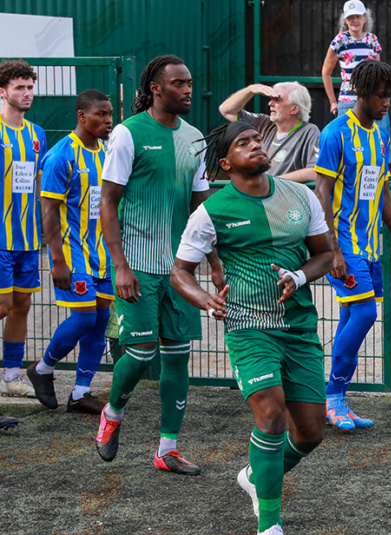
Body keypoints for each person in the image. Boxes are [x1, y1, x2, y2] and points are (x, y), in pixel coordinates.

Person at [172, 121, 334, 535]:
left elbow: (325, 253)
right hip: (247, 324)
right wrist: (206, 299)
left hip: (299, 327)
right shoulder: (212, 211)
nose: (255, 145)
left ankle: (255, 475)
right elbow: (180, 271)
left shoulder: (301, 196)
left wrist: (299, 276)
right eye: (243, 143)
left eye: (257, 140)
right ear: (225, 163)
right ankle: (269, 525)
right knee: (270, 410)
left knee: (312, 433)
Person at [94, 55, 225, 475]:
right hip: (137, 265)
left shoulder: (194, 138)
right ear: (156, 87)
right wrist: (120, 265)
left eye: (190, 83)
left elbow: (201, 206)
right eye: (179, 84)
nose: (188, 90)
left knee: (178, 355)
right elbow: (108, 203)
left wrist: (215, 262)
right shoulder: (128, 133)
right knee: (140, 351)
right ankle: (113, 414)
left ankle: (167, 448)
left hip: (179, 271)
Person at [314, 59, 391, 431]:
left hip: (371, 247)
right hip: (345, 245)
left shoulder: (381, 135)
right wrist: (333, 250)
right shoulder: (335, 134)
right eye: (380, 95)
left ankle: (335, 400)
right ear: (361, 92)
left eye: (390, 95)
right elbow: (322, 193)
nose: (387, 101)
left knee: (350, 315)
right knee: (365, 315)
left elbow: (384, 193)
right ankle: (333, 395)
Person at [26, 89, 115, 414]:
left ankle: (80, 393)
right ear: (82, 117)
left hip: (103, 254)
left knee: (101, 318)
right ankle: (43, 368)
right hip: (71, 253)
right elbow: (48, 210)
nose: (108, 120)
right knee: (83, 318)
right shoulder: (61, 155)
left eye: (109, 114)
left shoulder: (106, 152)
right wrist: (57, 261)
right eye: (101, 115)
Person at [0, 59, 47, 413]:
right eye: (19, 87)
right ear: (3, 91)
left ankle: (12, 377)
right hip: (0, 238)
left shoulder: (36, 134)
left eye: (30, 87)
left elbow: (39, 183)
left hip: (28, 240)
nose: (27, 93)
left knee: (22, 305)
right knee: (1, 305)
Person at [321, 0, 391, 163]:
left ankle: (382, 178)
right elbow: (326, 72)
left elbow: (379, 73)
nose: (354, 21)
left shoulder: (372, 40)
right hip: (348, 101)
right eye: (350, 17)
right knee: (347, 144)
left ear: (365, 18)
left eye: (358, 17)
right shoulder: (340, 40)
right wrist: (333, 101)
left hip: (373, 99)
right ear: (345, 20)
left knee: (380, 141)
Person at [218, 81, 320, 183]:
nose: (270, 103)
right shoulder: (264, 123)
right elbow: (226, 110)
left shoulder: (309, 131)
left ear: (294, 109)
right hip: (257, 194)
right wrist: (250, 90)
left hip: (284, 195)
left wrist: (271, 182)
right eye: (271, 99)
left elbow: (314, 171)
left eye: (277, 100)